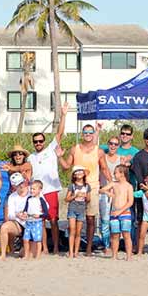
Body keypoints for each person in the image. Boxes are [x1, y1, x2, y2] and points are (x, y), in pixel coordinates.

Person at [57, 103, 111, 253]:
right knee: (73, 220)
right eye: (85, 132)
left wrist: (113, 183)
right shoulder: (75, 149)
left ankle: (88, 247)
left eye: (90, 132)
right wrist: (60, 157)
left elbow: (105, 169)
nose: (88, 134)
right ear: (82, 134)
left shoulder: (99, 151)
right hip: (76, 187)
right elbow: (67, 166)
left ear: (93, 134)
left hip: (92, 187)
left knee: (90, 218)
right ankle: (73, 248)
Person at [28, 120, 66, 254]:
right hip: (37, 193)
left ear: (44, 141)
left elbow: (59, 133)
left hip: (50, 190)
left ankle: (55, 247)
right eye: (35, 141)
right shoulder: (30, 157)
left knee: (54, 220)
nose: (38, 143)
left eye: (40, 141)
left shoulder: (50, 150)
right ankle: (44, 248)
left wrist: (63, 114)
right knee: (40, 222)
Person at [103, 165, 135, 261]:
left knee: (126, 234)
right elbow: (101, 189)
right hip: (114, 213)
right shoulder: (113, 184)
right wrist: (107, 192)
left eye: (116, 172)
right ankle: (114, 255)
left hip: (125, 213)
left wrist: (120, 211)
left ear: (122, 174)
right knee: (115, 235)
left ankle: (128, 256)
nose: (114, 174)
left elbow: (130, 202)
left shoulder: (129, 186)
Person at [0, 173, 31, 260]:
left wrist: (30, 214)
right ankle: (3, 254)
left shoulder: (32, 191)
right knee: (4, 227)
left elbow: (44, 206)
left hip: (33, 223)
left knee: (27, 255)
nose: (21, 186)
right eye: (18, 185)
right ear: (13, 186)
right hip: (20, 223)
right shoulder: (12, 196)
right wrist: (18, 215)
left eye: (21, 183)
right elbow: (10, 214)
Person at [65, 167, 92, 258]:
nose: (79, 174)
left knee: (78, 232)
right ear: (74, 175)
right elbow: (66, 199)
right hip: (72, 209)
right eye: (77, 172)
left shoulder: (87, 186)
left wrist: (85, 196)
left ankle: (76, 252)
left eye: (81, 172)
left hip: (81, 210)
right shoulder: (72, 186)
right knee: (72, 230)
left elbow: (88, 199)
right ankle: (71, 251)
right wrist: (74, 196)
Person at [22, 179, 48, 260]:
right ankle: (26, 255)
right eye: (31, 188)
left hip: (37, 222)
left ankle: (38, 255)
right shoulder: (29, 198)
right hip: (28, 222)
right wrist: (24, 213)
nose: (32, 190)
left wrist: (39, 215)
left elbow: (46, 213)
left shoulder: (41, 200)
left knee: (37, 240)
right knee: (25, 239)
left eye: (34, 189)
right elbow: (25, 208)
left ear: (39, 190)